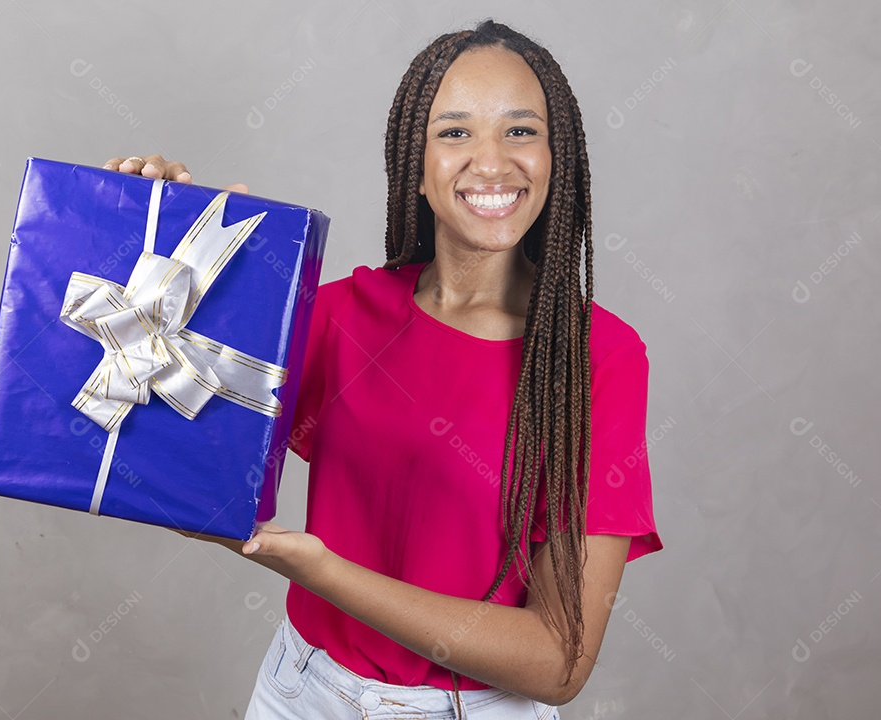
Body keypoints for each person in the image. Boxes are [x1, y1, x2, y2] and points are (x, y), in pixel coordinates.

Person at [104, 18, 662, 719]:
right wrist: (145, 242)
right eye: (454, 132)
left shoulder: (594, 358)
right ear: (415, 168)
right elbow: (166, 454)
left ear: (560, 158)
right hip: (301, 694)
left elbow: (557, 662)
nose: (491, 162)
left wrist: (322, 572)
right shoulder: (341, 316)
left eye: (520, 131)